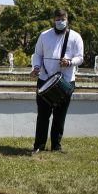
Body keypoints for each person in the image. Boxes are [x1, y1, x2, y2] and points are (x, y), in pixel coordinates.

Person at [30, 8, 84, 153]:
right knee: (43, 115)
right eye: (57, 19)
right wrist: (36, 67)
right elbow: (37, 55)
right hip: (44, 80)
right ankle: (39, 146)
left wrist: (70, 62)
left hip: (65, 81)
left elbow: (80, 57)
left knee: (60, 116)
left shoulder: (75, 37)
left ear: (67, 19)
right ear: (53, 20)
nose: (60, 21)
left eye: (63, 19)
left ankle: (56, 146)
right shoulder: (44, 35)